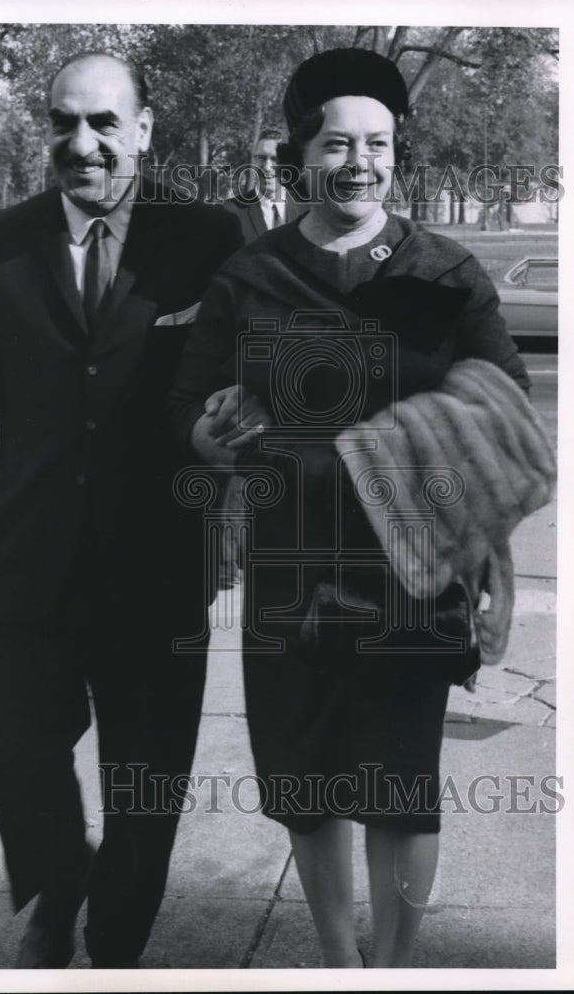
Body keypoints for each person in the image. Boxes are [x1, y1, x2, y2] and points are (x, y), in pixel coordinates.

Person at [171, 48, 534, 968]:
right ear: (301, 154)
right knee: (305, 783)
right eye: (338, 143)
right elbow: (189, 400)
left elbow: (502, 409)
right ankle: (338, 964)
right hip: (289, 571)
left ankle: (391, 968)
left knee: (399, 786)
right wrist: (206, 435)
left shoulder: (443, 273)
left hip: (414, 573)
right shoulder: (251, 276)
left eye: (377, 143)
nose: (360, 162)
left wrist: (495, 567)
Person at [0, 51, 242, 969]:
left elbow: (249, 384)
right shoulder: (0, 238)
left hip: (159, 563)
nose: (80, 144)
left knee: (146, 785)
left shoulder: (208, 236)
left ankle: (115, 948)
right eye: (62, 123)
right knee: (14, 751)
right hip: (31, 559)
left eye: (101, 124)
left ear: (143, 129)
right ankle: (59, 884)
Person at [223, 129, 305, 244]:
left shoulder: (307, 210)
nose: (267, 167)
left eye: (275, 159)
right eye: (261, 158)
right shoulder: (230, 212)